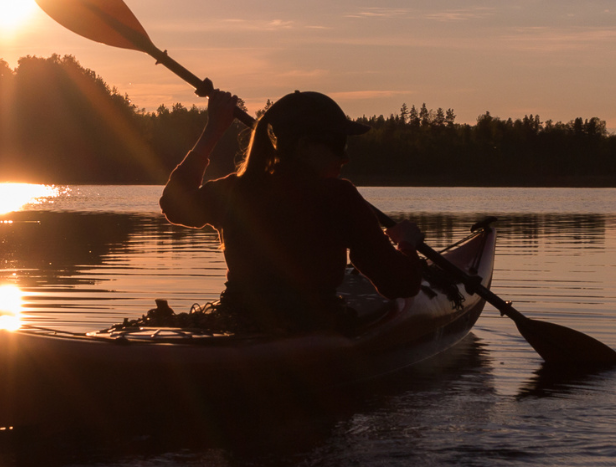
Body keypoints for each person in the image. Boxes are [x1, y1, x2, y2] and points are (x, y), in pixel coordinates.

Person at [160, 88, 424, 333]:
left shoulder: (234, 189)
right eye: (337, 144)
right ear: (304, 146)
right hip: (312, 325)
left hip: (237, 320)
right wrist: (406, 244)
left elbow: (174, 205)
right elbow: (400, 284)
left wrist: (212, 131)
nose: (345, 157)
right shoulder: (339, 196)